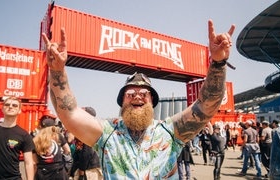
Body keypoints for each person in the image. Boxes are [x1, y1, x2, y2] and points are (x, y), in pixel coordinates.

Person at [42, 19, 235, 179]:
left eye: (143, 93)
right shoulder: (107, 133)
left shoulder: (170, 132)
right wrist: (57, 71)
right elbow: (69, 113)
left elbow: (206, 106)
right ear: (122, 103)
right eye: (130, 93)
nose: (137, 95)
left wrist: (218, 63)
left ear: (152, 101)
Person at [69, 107, 103, 180]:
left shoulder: (87, 129)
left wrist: (81, 173)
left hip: (89, 170)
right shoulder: (94, 128)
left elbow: (86, 153)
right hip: (92, 166)